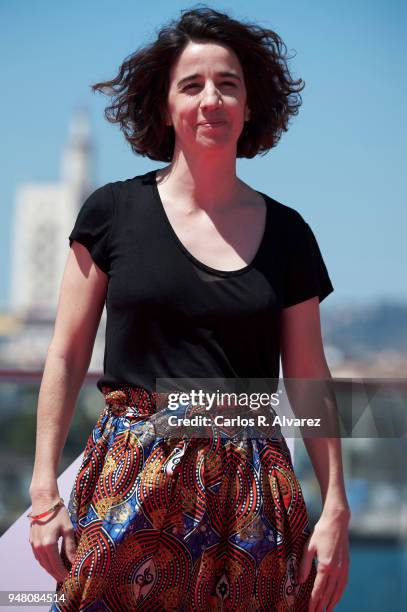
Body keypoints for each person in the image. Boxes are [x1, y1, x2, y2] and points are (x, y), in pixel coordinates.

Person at [28, 6, 350, 611]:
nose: (212, 99)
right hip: (131, 481)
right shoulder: (111, 213)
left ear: (250, 105)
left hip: (255, 492)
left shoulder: (290, 234)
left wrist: (335, 507)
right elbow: (66, 354)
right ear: (165, 106)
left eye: (228, 84)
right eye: (192, 85)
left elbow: (310, 381)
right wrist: (45, 489)